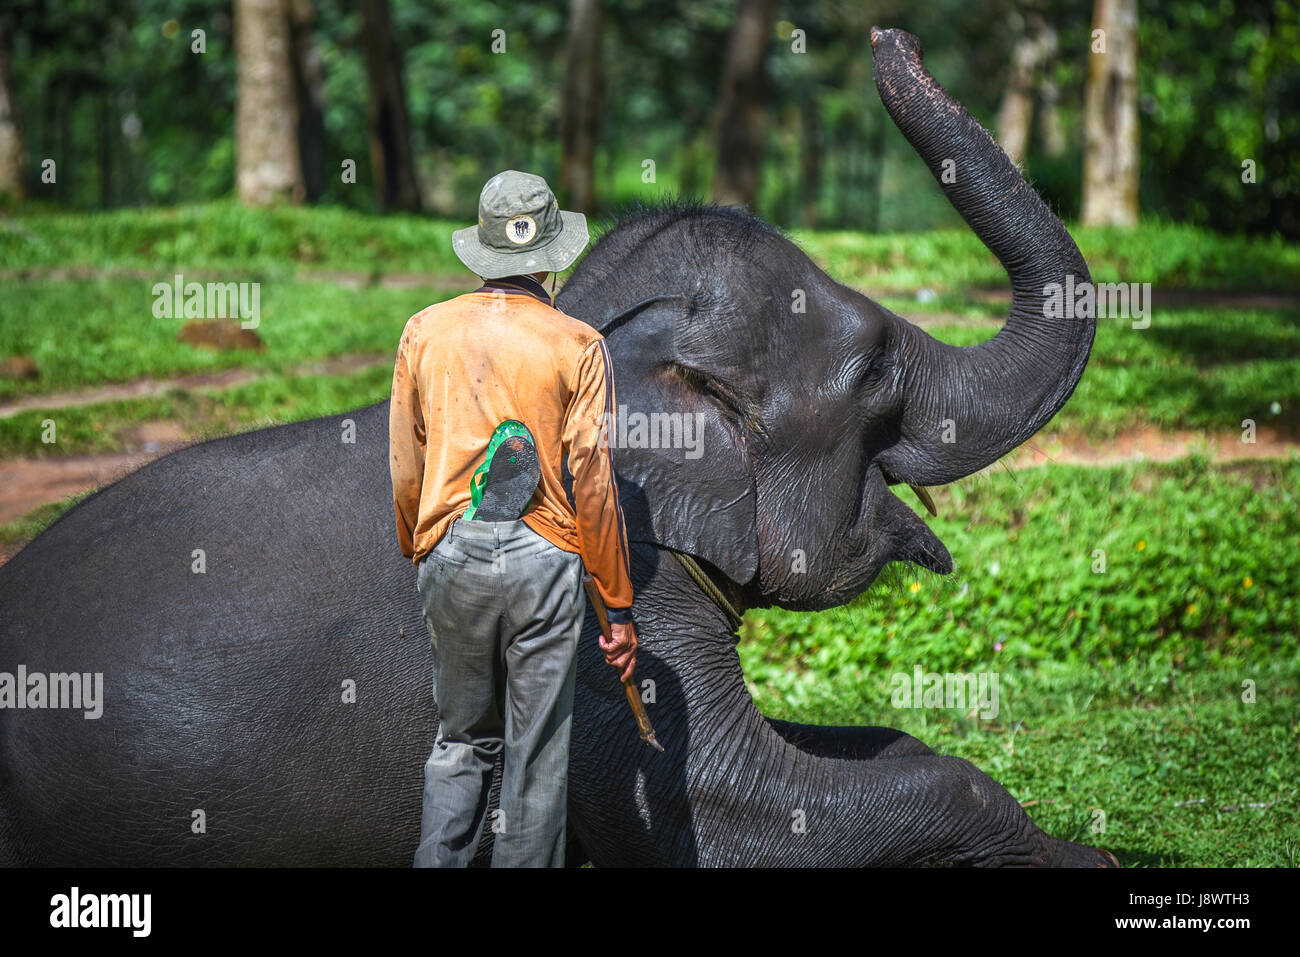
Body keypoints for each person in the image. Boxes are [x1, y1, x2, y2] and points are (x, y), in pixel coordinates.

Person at [389, 169, 638, 868]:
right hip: (543, 561)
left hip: (450, 553)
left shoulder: (424, 331)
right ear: (549, 258)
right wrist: (617, 606)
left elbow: (406, 460)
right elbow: (594, 484)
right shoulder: (578, 344)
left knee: (461, 739)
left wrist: (421, 540)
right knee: (535, 758)